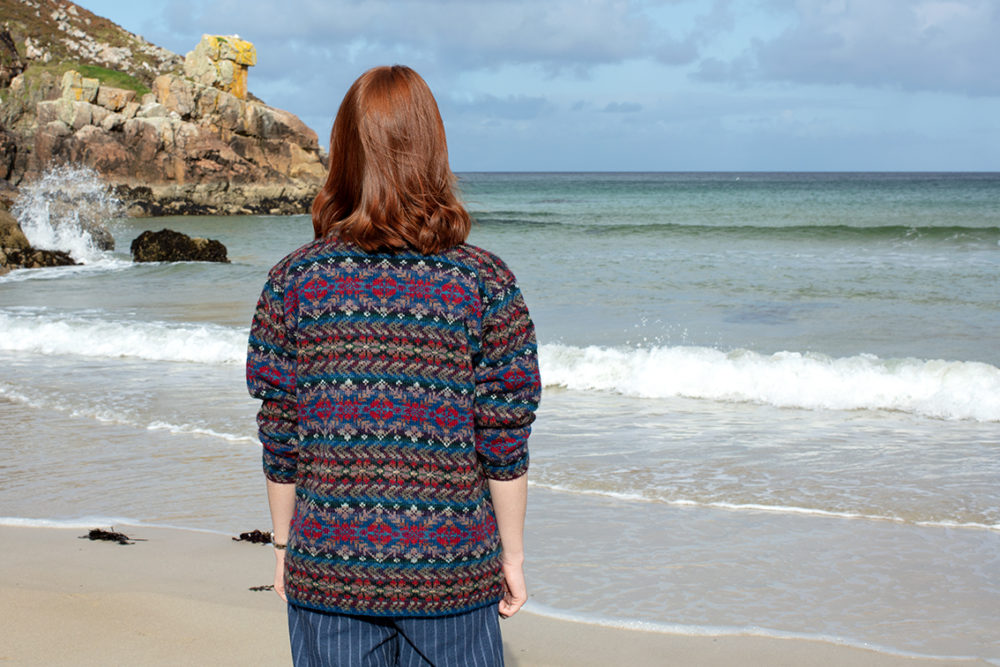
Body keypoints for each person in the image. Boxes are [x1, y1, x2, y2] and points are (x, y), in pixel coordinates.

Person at [246, 65, 541, 667]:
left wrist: (284, 545)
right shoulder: (483, 279)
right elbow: (504, 431)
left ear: (344, 154)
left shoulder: (294, 279)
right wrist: (511, 556)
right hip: (452, 572)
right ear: (432, 149)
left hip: (328, 568)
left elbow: (281, 427)